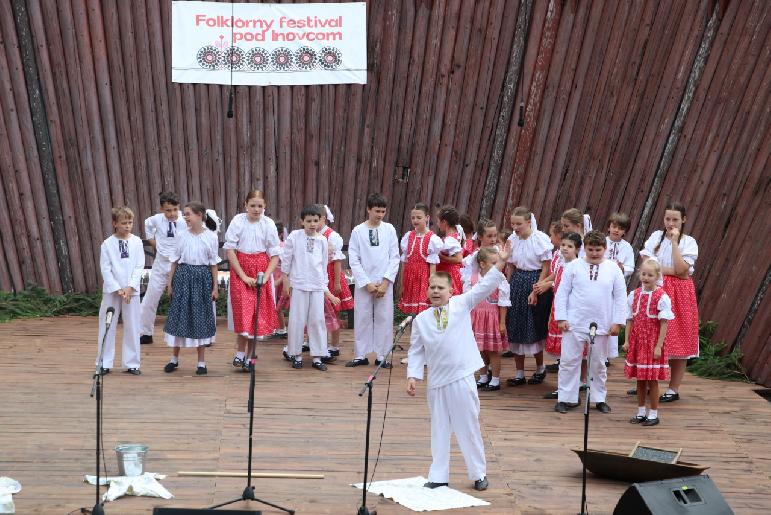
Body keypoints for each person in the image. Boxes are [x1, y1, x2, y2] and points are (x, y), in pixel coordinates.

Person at [406, 243, 509, 492]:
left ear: (451, 291)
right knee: (439, 428)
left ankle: (478, 473)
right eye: (432, 288)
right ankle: (438, 474)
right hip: (437, 381)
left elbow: (484, 287)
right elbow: (416, 350)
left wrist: (500, 263)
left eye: (441, 288)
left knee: (468, 425)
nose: (435, 291)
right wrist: (412, 375)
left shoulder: (461, 304)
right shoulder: (420, 320)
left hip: (462, 375)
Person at [553, 230, 626, 414]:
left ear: (605, 248)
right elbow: (562, 293)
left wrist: (617, 322)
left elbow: (620, 297)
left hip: (602, 324)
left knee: (599, 363)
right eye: (591, 249)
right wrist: (561, 317)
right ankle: (566, 398)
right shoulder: (573, 267)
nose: (594, 253)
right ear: (584, 248)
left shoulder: (613, 268)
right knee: (569, 361)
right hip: (574, 322)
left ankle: (598, 398)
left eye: (598, 249)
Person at [639, 202, 699, 403]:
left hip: (680, 294)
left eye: (675, 219)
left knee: (679, 337)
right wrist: (669, 271)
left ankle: (673, 389)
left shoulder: (689, 242)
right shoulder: (656, 237)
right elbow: (647, 266)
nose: (670, 223)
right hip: (655, 289)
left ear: (683, 219)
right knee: (652, 335)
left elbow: (682, 270)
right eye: (667, 219)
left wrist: (674, 244)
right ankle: (649, 381)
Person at [224, 190, 281, 370]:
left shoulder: (268, 224)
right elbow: (230, 250)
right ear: (245, 205)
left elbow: (274, 255)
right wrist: (242, 275)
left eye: (260, 206)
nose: (256, 210)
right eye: (253, 206)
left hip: (261, 271)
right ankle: (240, 352)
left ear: (265, 207)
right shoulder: (238, 221)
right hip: (241, 270)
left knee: (256, 315)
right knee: (243, 312)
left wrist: (265, 276)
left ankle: (250, 356)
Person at [163, 202, 220, 376]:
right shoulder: (181, 235)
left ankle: (201, 363)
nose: (185, 217)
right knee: (179, 316)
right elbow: (174, 260)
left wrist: (215, 287)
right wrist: (170, 283)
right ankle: (174, 359)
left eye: (188, 214)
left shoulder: (211, 237)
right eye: (185, 214)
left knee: (200, 318)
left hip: (202, 280)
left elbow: (213, 264)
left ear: (199, 215)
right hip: (183, 277)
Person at [281, 205, 340, 371]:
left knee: (317, 320)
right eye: (309, 221)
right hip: (299, 284)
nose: (312, 224)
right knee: (297, 320)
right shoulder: (294, 236)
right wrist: (286, 281)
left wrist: (326, 290)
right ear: (302, 221)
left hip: (316, 286)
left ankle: (317, 356)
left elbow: (323, 266)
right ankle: (296, 355)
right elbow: (286, 260)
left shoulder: (322, 240)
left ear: (321, 220)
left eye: (316, 220)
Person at [346, 193, 400, 368]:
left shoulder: (389, 229)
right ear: (368, 209)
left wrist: (385, 282)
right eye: (377, 210)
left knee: (384, 318)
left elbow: (394, 257)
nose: (380, 214)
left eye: (383, 211)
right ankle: (360, 354)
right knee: (362, 317)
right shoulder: (358, 230)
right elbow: (354, 259)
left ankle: (382, 355)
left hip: (384, 282)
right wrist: (366, 283)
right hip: (365, 283)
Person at [505, 207, 553, 386]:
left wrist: (536, 289)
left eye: (519, 224)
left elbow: (546, 266)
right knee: (516, 324)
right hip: (517, 281)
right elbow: (510, 265)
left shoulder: (540, 239)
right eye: (513, 223)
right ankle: (519, 373)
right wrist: (507, 286)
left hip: (535, 280)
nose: (515, 227)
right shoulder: (512, 239)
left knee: (533, 326)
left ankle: (540, 368)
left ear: (528, 222)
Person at [623, 259, 674, 426]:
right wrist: (627, 341)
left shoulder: (661, 296)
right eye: (643, 274)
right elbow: (630, 319)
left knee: (652, 380)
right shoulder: (635, 294)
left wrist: (659, 346)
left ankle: (653, 413)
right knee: (640, 379)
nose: (646, 277)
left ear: (657, 276)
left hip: (652, 343)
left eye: (650, 275)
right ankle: (640, 411)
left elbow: (664, 323)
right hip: (638, 342)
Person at [96, 206, 144, 375]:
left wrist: (130, 287)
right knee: (107, 324)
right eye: (124, 223)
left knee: (132, 326)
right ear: (115, 223)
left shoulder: (137, 242)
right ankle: (104, 362)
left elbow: (139, 266)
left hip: (132, 291)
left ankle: (132, 363)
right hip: (112, 291)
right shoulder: (107, 244)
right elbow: (106, 268)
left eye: (130, 222)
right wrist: (117, 288)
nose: (127, 226)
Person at [139, 192, 186, 345]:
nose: (171, 213)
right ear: (161, 209)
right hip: (161, 263)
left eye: (174, 209)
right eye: (167, 210)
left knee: (184, 298)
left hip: (180, 263)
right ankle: (145, 333)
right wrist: (157, 245)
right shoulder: (155, 220)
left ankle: (189, 333)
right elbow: (148, 226)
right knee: (150, 298)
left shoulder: (185, 219)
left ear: (178, 207)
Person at [543, 232, 582, 399]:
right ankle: (563, 387)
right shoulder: (561, 264)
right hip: (558, 308)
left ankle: (571, 387)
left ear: (577, 249)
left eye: (570, 246)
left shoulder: (577, 267)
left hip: (570, 312)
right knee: (562, 355)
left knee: (570, 354)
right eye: (563, 245)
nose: (565, 248)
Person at [467, 247, 511, 391]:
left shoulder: (500, 279)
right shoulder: (472, 278)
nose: (496, 265)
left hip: (492, 318)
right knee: (480, 349)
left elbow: (503, 302)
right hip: (476, 318)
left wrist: (502, 322)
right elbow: (467, 301)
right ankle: (483, 376)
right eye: (493, 263)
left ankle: (496, 379)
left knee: (493, 350)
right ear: (482, 264)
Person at [318, 204, 354, 357]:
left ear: (324, 219)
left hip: (331, 277)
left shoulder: (331, 236)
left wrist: (337, 282)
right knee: (317, 313)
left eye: (317, 219)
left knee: (333, 313)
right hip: (317, 277)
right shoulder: (311, 234)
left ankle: (334, 345)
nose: (313, 223)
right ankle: (318, 344)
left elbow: (338, 261)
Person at [398, 202, 442, 315]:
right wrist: (402, 283)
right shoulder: (408, 237)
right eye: (413, 217)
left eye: (419, 217)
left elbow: (433, 267)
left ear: (427, 218)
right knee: (412, 312)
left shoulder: (432, 239)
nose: (415, 220)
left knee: (423, 310)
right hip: (410, 279)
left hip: (423, 280)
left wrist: (432, 286)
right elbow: (404, 263)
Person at [605, 212, 635, 363]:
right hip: (600, 285)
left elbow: (631, 266)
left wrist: (623, 268)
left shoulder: (627, 247)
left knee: (612, 316)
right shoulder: (602, 242)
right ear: (609, 227)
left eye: (621, 228)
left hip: (615, 286)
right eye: (614, 226)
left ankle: (607, 354)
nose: (616, 230)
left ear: (625, 231)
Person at [435, 205, 464, 295]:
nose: (437, 224)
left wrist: (441, 257)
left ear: (444, 222)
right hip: (446, 273)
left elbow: (459, 259)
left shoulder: (450, 240)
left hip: (449, 274)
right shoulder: (454, 235)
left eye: (438, 221)